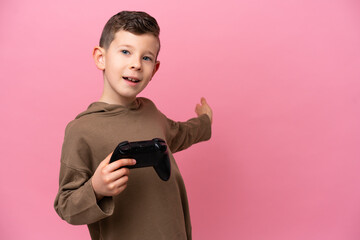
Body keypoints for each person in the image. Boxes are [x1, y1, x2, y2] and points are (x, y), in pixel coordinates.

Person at [54, 11, 213, 240]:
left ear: (154, 70)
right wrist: (96, 188)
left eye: (146, 57)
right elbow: (66, 206)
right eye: (126, 52)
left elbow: (181, 133)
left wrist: (205, 120)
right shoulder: (82, 131)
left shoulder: (150, 112)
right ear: (101, 57)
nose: (136, 64)